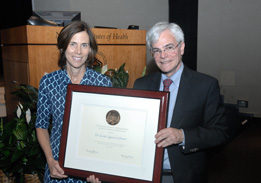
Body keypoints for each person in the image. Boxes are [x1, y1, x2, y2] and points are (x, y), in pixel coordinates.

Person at [133, 22, 228, 183]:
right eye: (156, 50)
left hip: (184, 176)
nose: (163, 55)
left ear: (181, 47)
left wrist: (182, 136)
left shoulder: (205, 85)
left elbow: (219, 133)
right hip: (144, 174)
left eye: (169, 47)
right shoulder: (141, 84)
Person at [35, 21, 112, 183]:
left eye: (84, 45)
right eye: (73, 44)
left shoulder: (103, 84)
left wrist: (102, 170)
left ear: (90, 49)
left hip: (90, 169)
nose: (78, 51)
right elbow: (41, 125)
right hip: (57, 167)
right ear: (63, 47)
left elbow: (108, 132)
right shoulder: (48, 82)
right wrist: (50, 161)